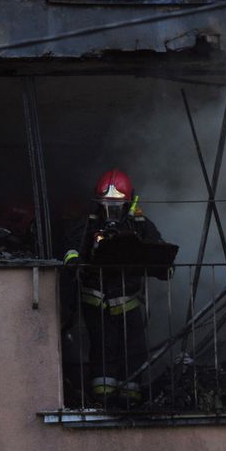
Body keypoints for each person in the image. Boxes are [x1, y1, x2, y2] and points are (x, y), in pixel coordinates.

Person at [63, 169, 165, 407]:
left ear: (129, 202)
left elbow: (158, 248)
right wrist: (75, 261)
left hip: (128, 299)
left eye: (117, 206)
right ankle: (104, 398)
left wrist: (163, 265)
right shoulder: (88, 224)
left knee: (134, 349)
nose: (111, 211)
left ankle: (131, 397)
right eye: (107, 205)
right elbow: (72, 248)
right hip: (96, 299)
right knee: (103, 348)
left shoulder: (140, 225)